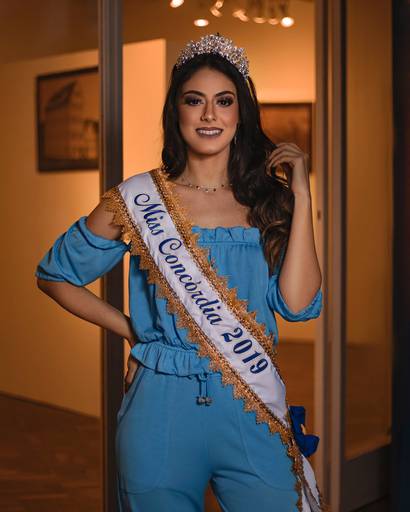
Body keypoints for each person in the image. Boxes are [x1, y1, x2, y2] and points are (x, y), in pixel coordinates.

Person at [35, 33, 325, 512]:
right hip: (159, 405)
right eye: (195, 101)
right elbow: (54, 275)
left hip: (249, 402)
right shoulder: (136, 199)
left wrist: (302, 195)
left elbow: (297, 306)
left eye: (224, 101)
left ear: (241, 113)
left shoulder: (271, 202)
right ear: (177, 111)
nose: (209, 115)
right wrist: (131, 330)